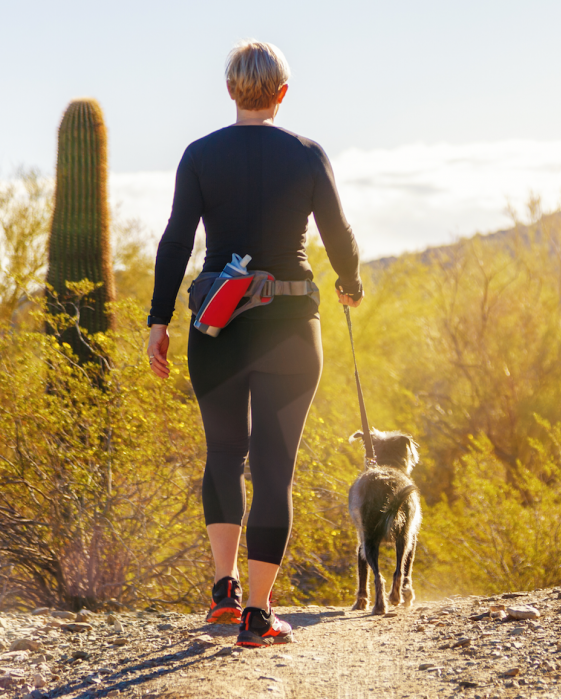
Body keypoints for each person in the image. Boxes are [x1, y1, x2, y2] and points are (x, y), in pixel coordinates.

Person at [146, 39, 363, 648]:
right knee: (274, 468)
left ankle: (223, 593)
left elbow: (175, 242)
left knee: (223, 454)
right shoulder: (307, 154)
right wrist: (349, 283)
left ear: (230, 90)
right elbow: (338, 234)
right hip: (292, 324)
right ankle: (259, 616)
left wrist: (158, 320)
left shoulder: (199, 155)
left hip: (215, 324)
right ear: (283, 93)